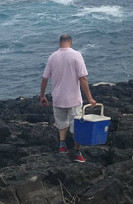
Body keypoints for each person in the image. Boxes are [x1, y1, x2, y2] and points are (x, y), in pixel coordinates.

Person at [39, 34, 96, 163]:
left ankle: (62, 146)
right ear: (70, 42)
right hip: (74, 99)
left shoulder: (52, 57)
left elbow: (44, 78)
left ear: (60, 43)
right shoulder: (76, 55)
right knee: (76, 126)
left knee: (61, 123)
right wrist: (90, 98)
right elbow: (83, 78)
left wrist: (42, 96)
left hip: (58, 98)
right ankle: (77, 153)